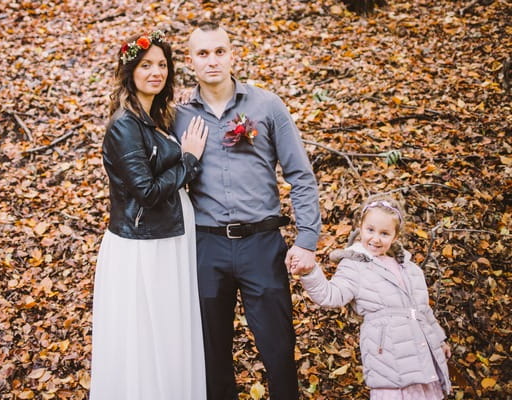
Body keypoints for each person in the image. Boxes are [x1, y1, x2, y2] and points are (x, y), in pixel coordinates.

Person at [173, 22, 322, 400]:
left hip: (262, 244)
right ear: (191, 61)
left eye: (219, 51)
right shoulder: (177, 116)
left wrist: (307, 239)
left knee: (277, 348)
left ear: (232, 53)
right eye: (203, 53)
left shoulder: (266, 105)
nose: (212, 60)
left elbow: (301, 175)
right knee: (211, 352)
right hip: (206, 247)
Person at [89, 30, 209, 400]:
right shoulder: (125, 126)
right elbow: (147, 192)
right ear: (130, 71)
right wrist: (189, 160)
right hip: (144, 247)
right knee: (146, 333)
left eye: (162, 65)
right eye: (146, 65)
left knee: (171, 330)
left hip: (170, 239)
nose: (156, 71)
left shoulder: (157, 117)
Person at [296, 195, 452, 399]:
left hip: (422, 355)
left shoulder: (411, 269)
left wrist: (439, 340)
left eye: (385, 233)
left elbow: (424, 311)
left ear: (395, 237)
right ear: (360, 227)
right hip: (388, 358)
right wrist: (310, 272)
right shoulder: (354, 265)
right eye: (370, 230)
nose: (376, 239)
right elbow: (330, 296)